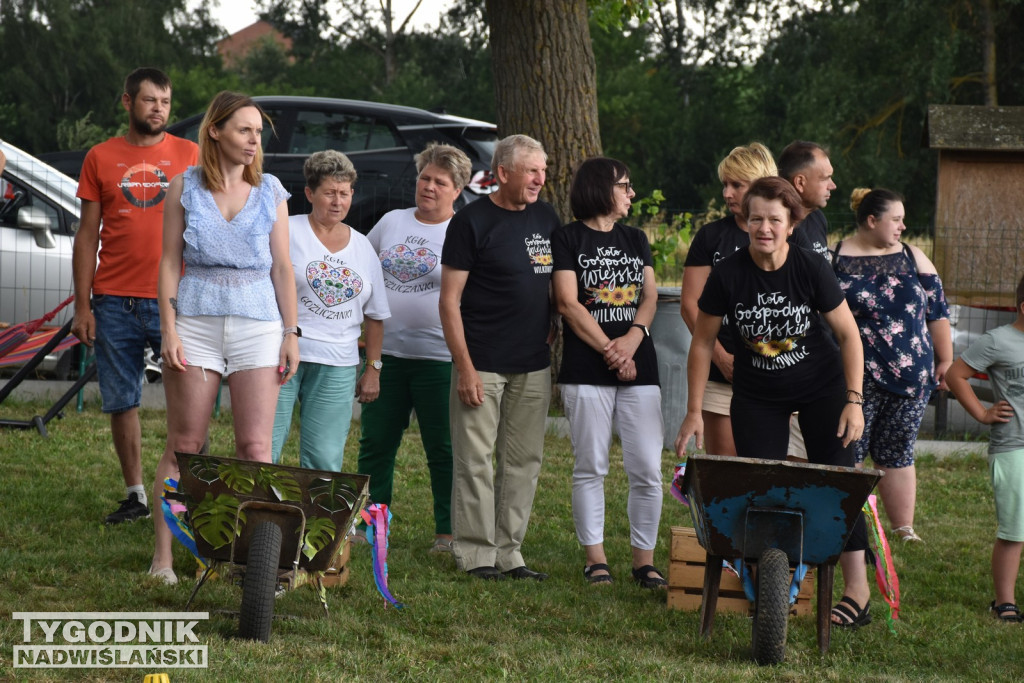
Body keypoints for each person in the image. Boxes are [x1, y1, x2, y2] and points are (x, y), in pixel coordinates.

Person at [674, 177, 873, 629]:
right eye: (756, 218)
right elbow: (702, 343)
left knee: (841, 484)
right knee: (762, 491)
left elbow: (848, 335)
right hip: (758, 396)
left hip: (822, 388)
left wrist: (854, 401)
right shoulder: (728, 274)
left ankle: (857, 591)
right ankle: (771, 588)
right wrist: (692, 410)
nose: (764, 228)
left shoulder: (809, 267)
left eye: (775, 220)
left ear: (791, 225)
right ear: (746, 222)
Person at [149, 91, 298, 585]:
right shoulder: (183, 187)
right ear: (215, 131)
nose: (255, 140)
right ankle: (164, 559)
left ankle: (251, 561)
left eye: (258, 132)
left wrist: (291, 333)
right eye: (244, 130)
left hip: (258, 325)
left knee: (255, 447)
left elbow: (282, 267)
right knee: (185, 444)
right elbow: (170, 262)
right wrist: (168, 328)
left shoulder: (271, 190)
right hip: (195, 322)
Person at [70, 68, 198, 525]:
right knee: (122, 400)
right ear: (127, 103)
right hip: (112, 298)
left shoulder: (190, 154)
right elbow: (87, 236)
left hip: (177, 300)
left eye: (164, 101)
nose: (158, 109)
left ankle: (180, 496)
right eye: (148, 101)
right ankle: (137, 496)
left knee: (189, 405)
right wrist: (82, 305)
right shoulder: (100, 157)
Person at [439, 134, 559, 582]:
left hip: (532, 361)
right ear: (502, 173)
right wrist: (465, 367)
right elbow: (449, 302)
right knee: (475, 460)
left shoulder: (547, 218)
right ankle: (475, 553)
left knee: (523, 461)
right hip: (483, 361)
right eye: (531, 171)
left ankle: (510, 552)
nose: (539, 179)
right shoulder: (472, 222)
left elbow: (553, 285)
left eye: (542, 171)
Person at [553, 157, 665, 588]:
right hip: (587, 366)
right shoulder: (567, 237)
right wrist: (610, 350)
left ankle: (644, 561)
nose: (631, 193)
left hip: (642, 363)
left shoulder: (636, 238)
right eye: (625, 185)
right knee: (591, 465)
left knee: (646, 468)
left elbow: (650, 297)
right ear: (602, 189)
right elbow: (567, 302)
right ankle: (595, 558)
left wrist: (633, 340)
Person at [356, 143, 471, 553]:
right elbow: (361, 270)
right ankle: (371, 524)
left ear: (458, 189)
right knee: (376, 444)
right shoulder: (391, 221)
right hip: (386, 358)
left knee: (443, 448)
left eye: (440, 182)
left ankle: (447, 531)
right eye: (425, 178)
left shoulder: (463, 229)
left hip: (440, 359)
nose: (429, 187)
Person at [833, 188, 952, 543]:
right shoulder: (834, 258)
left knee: (898, 451)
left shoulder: (913, 256)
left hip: (911, 380)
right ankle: (843, 526)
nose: (902, 226)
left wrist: (944, 358)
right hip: (857, 379)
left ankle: (904, 529)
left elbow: (937, 308)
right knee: (848, 450)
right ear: (872, 221)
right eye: (896, 219)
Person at [270, 150, 389, 471]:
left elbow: (376, 316)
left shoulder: (363, 247)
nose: (338, 201)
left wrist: (373, 369)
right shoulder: (285, 230)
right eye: (329, 193)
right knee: (264, 450)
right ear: (309, 194)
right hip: (277, 356)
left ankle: (317, 521)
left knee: (324, 459)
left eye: (345, 193)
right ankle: (259, 520)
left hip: (338, 364)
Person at [680, 142, 777, 457]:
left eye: (737, 185)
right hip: (722, 374)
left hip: (777, 373)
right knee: (728, 471)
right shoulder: (711, 236)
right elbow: (690, 304)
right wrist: (720, 357)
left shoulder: (790, 233)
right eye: (725, 184)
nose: (726, 193)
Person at [946, 275, 1024, 623]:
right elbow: (955, 374)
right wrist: (981, 412)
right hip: (1013, 448)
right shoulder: (998, 341)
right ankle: (1004, 602)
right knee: (1015, 529)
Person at [778, 140, 836, 263]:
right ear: (800, 183)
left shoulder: (817, 217)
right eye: (825, 178)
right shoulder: (776, 227)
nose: (833, 186)